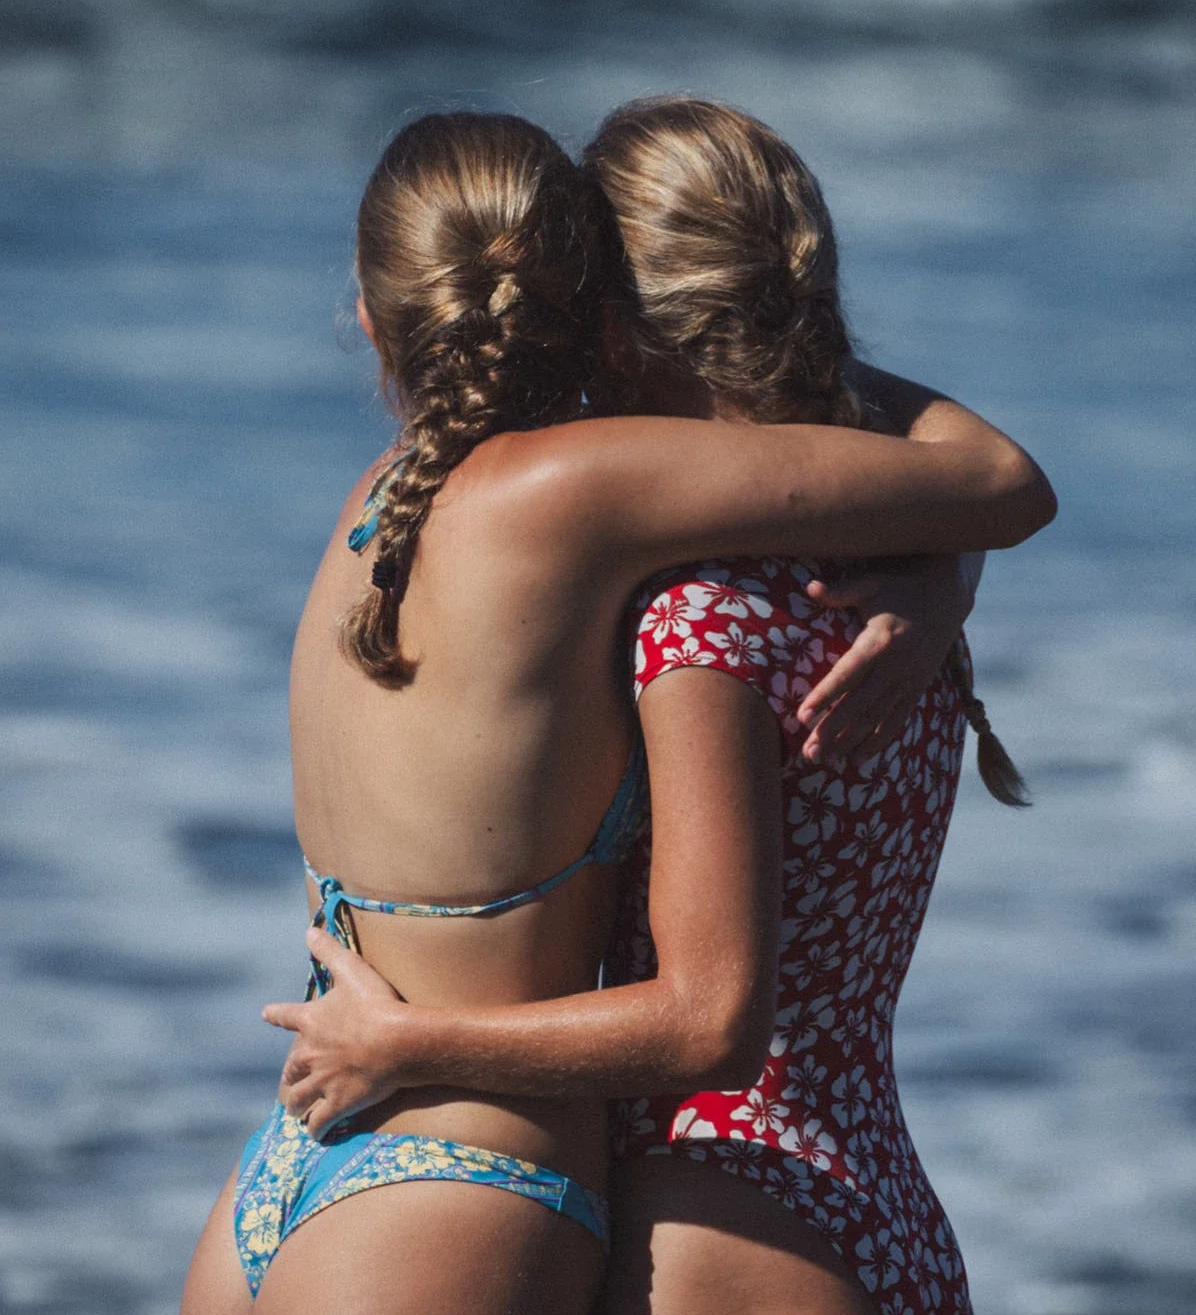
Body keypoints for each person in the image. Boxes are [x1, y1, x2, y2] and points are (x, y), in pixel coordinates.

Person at [184, 109, 1054, 1315]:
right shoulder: (602, 511)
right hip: (497, 1165)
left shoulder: (379, 509)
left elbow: (971, 494)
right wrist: (941, 578)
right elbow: (987, 478)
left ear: (375, 313)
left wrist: (943, 575)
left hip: (310, 1146)